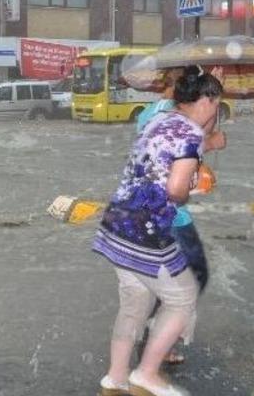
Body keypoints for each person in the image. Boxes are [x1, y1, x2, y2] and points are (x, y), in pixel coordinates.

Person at [94, 68, 225, 396]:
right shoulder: (189, 135)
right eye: (216, 102)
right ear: (206, 100)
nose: (216, 109)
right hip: (147, 228)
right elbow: (176, 190)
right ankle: (147, 373)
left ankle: (116, 377)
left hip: (116, 223)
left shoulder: (157, 120)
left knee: (134, 303)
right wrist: (189, 187)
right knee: (183, 297)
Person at [135, 68, 227, 365]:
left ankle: (155, 342)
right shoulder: (165, 114)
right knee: (190, 279)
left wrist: (212, 93)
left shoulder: (155, 111)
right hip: (169, 216)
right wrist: (211, 142)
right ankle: (154, 346)